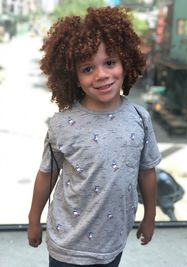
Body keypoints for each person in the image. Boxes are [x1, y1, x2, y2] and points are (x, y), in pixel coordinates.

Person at [28, 6, 161, 267]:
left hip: (112, 243)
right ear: (73, 77)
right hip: (66, 244)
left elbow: (147, 171)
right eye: (88, 69)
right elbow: (47, 174)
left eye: (109, 62)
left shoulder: (140, 118)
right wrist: (34, 220)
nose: (101, 75)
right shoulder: (62, 124)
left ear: (125, 61)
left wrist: (150, 216)